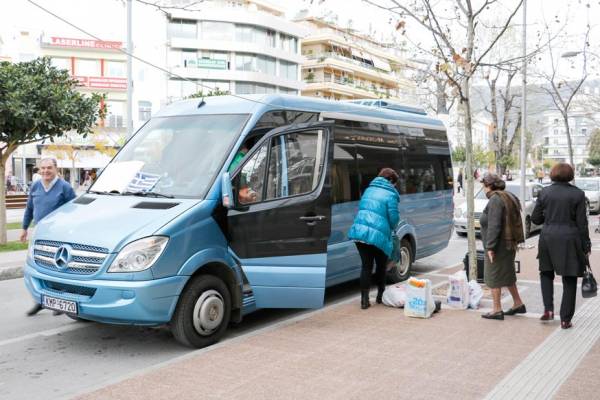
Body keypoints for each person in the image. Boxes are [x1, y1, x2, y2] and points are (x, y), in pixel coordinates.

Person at [531, 163, 591, 329]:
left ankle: (548, 310)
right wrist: (586, 244)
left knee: (546, 273)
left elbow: (535, 219)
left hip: (547, 238)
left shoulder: (544, 192)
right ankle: (565, 319)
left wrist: (549, 218)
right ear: (570, 175)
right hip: (570, 239)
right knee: (569, 278)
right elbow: (582, 223)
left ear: (553, 174)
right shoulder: (578, 194)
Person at [20, 157, 76, 316]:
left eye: (49, 168)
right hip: (40, 236)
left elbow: (75, 212)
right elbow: (30, 208)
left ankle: (60, 302)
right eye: (42, 168)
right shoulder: (36, 186)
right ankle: (40, 300)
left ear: (56, 169)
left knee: (57, 271)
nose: (45, 171)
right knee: (39, 270)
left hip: (59, 237)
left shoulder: (65, 188)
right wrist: (24, 228)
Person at [348, 168, 400, 309]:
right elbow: (394, 218)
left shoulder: (368, 190)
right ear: (390, 181)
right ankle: (380, 296)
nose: (395, 187)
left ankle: (364, 301)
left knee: (366, 266)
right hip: (379, 235)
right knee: (381, 266)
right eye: (395, 184)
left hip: (360, 233)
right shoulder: (390, 194)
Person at [479, 173, 526, 320]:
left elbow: (494, 225)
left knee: (494, 277)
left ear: (490, 185)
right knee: (507, 275)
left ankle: (497, 309)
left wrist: (490, 247)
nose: (483, 189)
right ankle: (518, 303)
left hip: (498, 245)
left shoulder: (495, 199)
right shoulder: (508, 196)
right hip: (508, 243)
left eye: (484, 186)